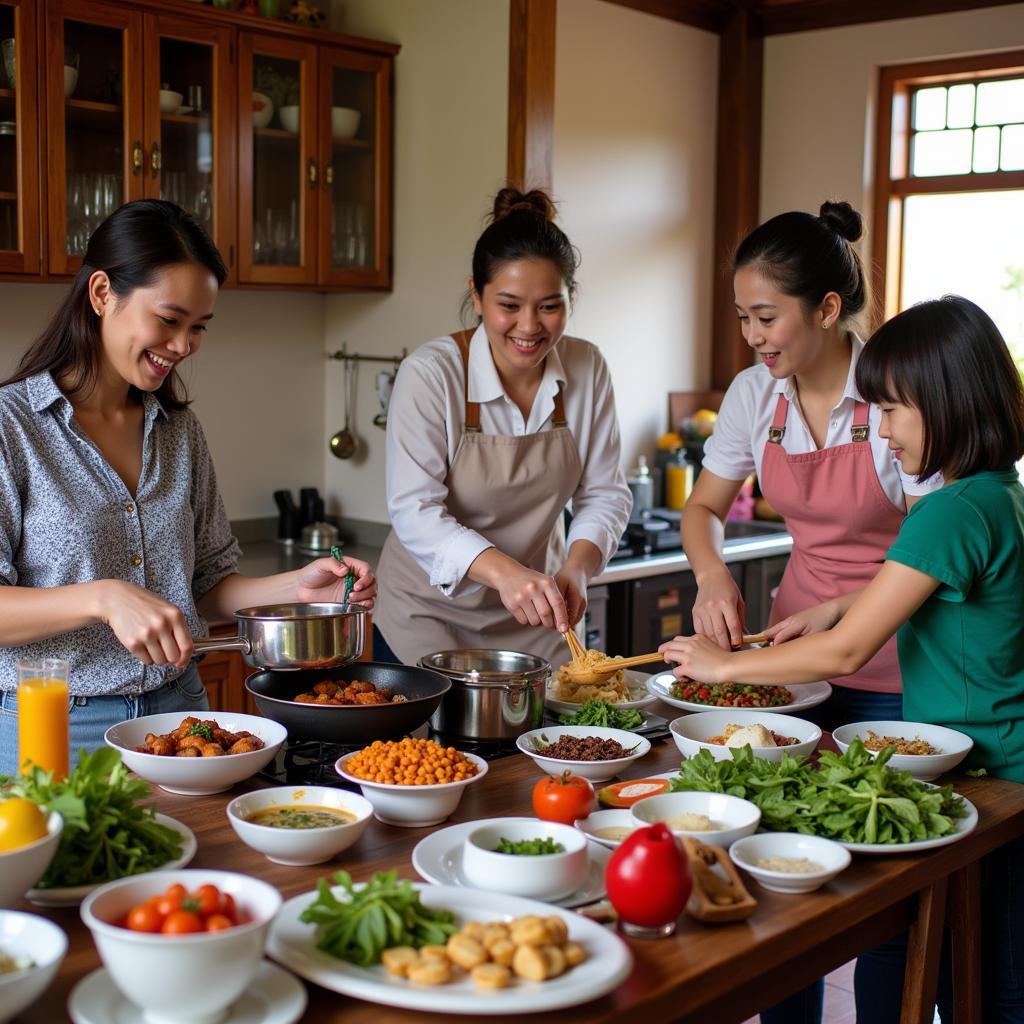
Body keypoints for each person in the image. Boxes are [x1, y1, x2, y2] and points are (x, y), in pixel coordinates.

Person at [663, 295, 1024, 1024]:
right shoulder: (995, 495)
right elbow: (907, 592)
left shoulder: (952, 510)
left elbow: (853, 649)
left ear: (947, 405)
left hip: (994, 776)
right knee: (981, 974)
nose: (882, 431)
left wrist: (722, 667)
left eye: (892, 411)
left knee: (992, 989)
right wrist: (831, 605)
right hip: (999, 764)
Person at [0, 200, 375, 775]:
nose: (183, 345)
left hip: (182, 726)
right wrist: (103, 597)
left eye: (198, 327)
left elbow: (204, 585)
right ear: (102, 294)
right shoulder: (12, 427)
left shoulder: (178, 431)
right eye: (169, 320)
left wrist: (297, 588)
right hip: (53, 732)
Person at [681, 200, 940, 730]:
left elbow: (930, 551)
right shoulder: (753, 393)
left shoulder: (896, 399)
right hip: (789, 662)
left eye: (767, 318)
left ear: (825, 309)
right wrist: (711, 574)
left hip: (897, 665)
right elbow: (705, 505)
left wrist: (835, 617)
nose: (752, 336)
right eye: (743, 318)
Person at [373, 187, 632, 667]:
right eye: (509, 306)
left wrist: (577, 568)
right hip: (427, 617)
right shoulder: (432, 374)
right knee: (424, 746)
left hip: (539, 618)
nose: (529, 326)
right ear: (476, 294)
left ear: (569, 298)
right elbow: (415, 510)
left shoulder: (587, 367)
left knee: (551, 741)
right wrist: (506, 573)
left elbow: (604, 493)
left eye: (549, 306)